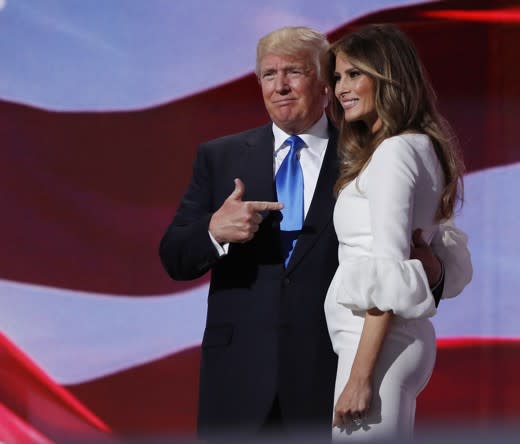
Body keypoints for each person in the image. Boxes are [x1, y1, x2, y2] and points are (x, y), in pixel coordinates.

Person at [158, 26, 472, 439]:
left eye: (294, 72)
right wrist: (214, 230)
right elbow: (173, 255)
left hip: (332, 371)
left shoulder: (366, 150)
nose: (281, 86)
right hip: (237, 381)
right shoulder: (220, 157)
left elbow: (420, 242)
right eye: (269, 75)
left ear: (323, 82)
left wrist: (434, 273)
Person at [325, 24, 467, 441]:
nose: (340, 88)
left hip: (377, 348)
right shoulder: (419, 146)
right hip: (388, 344)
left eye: (354, 74)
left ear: (388, 77)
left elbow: (388, 270)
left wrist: (360, 376)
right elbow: (431, 258)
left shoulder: (395, 152)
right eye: (337, 77)